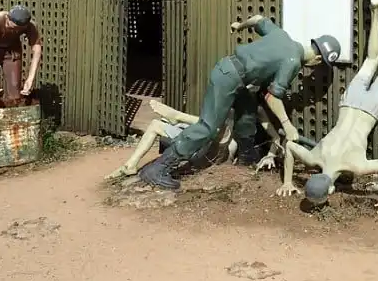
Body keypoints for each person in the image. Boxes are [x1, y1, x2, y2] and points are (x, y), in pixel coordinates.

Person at [138, 15, 340, 190]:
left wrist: (240, 25)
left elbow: (258, 19)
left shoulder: (282, 36)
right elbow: (272, 97)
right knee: (208, 127)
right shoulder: (293, 61)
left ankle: (246, 157)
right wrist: (288, 126)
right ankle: (159, 168)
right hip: (228, 77)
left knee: (247, 112)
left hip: (238, 78)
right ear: (318, 60)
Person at [274, 0, 378, 220]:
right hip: (349, 103)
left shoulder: (357, 166)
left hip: (368, 109)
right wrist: (287, 180)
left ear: (332, 189)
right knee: (370, 60)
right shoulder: (315, 155)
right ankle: (376, 9)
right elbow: (292, 148)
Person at [104, 92, 283, 184]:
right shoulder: (225, 104)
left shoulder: (255, 110)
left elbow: (276, 137)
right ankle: (130, 165)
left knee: (221, 125)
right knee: (155, 125)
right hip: (205, 140)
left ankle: (178, 116)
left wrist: (271, 155)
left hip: (223, 150)